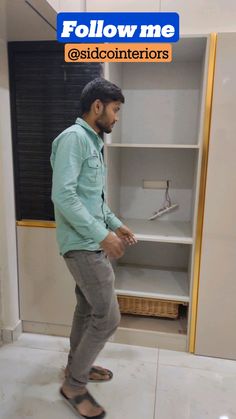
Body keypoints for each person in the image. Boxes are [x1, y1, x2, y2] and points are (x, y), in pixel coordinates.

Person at [50, 77, 137, 418]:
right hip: (83, 245)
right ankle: (74, 383)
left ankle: (77, 367)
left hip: (90, 240)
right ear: (97, 106)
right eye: (115, 110)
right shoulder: (74, 140)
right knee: (109, 317)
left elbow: (92, 200)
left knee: (87, 310)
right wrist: (102, 236)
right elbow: (65, 196)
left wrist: (115, 225)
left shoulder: (92, 142)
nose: (116, 117)